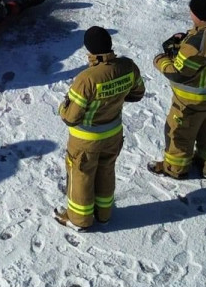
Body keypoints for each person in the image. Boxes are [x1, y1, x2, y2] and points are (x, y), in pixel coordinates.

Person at [55, 27, 145, 231]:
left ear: (89, 49)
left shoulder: (87, 79)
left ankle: (79, 220)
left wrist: (63, 106)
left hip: (86, 140)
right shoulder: (128, 66)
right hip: (113, 134)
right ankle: (104, 214)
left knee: (82, 176)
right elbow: (137, 93)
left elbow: (70, 118)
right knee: (106, 171)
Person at [147, 0, 206, 180]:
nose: (190, 16)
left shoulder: (195, 46)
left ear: (198, 15)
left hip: (191, 103)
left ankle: (175, 169)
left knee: (179, 134)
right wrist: (189, 35)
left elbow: (178, 73)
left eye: (192, 13)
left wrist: (161, 60)